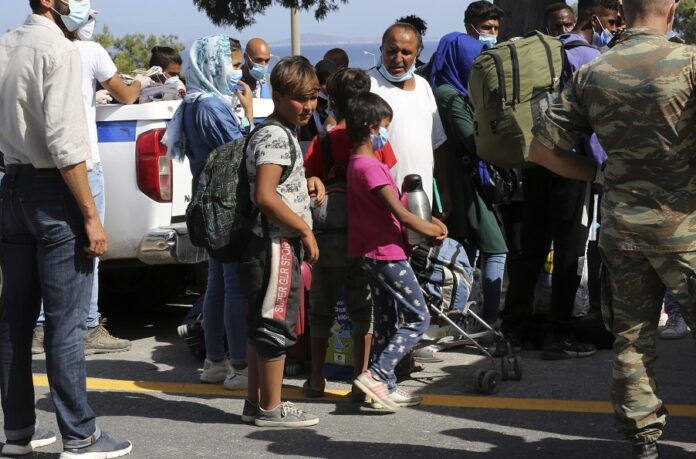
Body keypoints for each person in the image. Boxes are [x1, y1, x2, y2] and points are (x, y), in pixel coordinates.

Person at [528, 0, 695, 456]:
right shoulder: (689, 62)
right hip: (686, 228)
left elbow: (540, 150)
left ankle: (643, 441)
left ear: (622, 9)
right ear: (672, 10)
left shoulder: (593, 72)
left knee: (632, 339)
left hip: (621, 228)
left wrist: (600, 174)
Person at [0, 0, 131, 457]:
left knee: (15, 323)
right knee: (65, 324)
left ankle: (18, 433)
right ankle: (80, 435)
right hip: (54, 191)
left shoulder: (7, 44)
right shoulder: (60, 50)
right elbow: (65, 143)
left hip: (13, 185)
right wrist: (91, 216)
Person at [32, 8, 142, 357]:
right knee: (90, 249)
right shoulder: (90, 51)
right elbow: (126, 95)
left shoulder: (32, 47)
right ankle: (89, 326)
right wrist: (140, 81)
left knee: (45, 248)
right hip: (84, 161)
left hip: (38, 166)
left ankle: (40, 326)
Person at [164, 35, 255, 391]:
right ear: (215, 65)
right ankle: (239, 366)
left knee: (217, 285)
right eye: (234, 65)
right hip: (226, 205)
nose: (238, 72)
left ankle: (215, 361)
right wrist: (249, 115)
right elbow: (241, 151)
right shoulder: (211, 108)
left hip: (211, 203)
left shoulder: (194, 102)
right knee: (233, 287)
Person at [347, 92, 448, 411]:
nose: (386, 134)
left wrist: (428, 221)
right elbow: (402, 215)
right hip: (387, 252)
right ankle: (377, 374)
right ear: (371, 127)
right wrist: (432, 229)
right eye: (384, 126)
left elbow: (396, 210)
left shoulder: (356, 164)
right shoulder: (371, 168)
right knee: (418, 317)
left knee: (387, 318)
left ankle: (383, 388)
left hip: (370, 252)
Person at [303, 68, 398, 401]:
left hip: (328, 238)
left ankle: (316, 378)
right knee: (363, 309)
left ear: (332, 102)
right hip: (365, 236)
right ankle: (360, 378)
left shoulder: (324, 141)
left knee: (321, 310)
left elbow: (310, 182)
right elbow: (388, 181)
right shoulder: (375, 141)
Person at [240, 56, 325, 427]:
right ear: (276, 96)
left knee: (261, 326)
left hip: (265, 243)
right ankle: (271, 409)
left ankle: (256, 403)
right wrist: (304, 230)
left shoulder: (278, 131)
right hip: (275, 245)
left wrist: (307, 183)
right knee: (275, 326)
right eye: (299, 98)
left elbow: (276, 185)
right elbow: (265, 195)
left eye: (313, 97)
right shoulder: (275, 135)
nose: (308, 106)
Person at [430, 32, 508, 330]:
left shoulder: (442, 89)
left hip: (459, 178)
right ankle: (489, 318)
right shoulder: (450, 96)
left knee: (468, 249)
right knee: (495, 247)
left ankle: (461, 315)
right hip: (465, 181)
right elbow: (472, 140)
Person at [369, 22, 450, 220]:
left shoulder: (423, 86)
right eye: (392, 51)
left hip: (422, 202)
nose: (398, 59)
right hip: (380, 204)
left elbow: (437, 144)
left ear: (417, 53)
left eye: (406, 52)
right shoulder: (368, 85)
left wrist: (444, 190)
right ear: (381, 50)